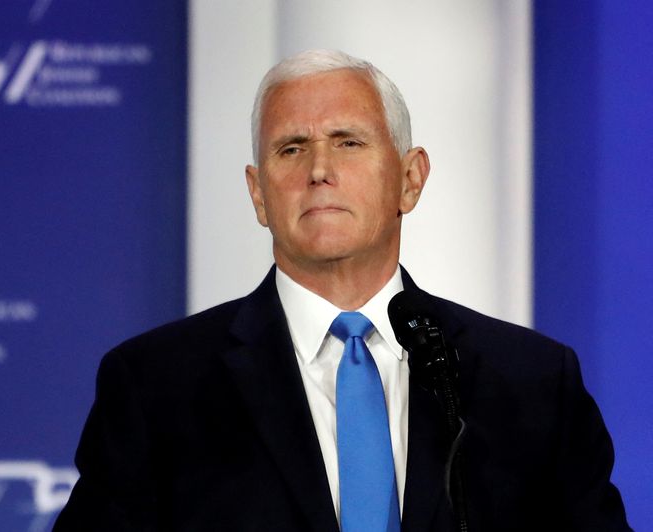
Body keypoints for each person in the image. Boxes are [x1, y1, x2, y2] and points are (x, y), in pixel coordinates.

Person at [54, 49, 630, 531]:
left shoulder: (531, 382)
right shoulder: (156, 386)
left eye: (349, 142)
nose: (318, 169)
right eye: (291, 148)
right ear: (258, 194)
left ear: (410, 178)